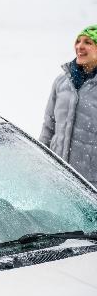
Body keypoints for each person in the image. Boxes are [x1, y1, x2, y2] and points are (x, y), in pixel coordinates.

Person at [40, 25, 97, 187]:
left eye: (88, 42)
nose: (80, 46)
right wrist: (40, 158)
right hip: (58, 174)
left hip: (91, 180)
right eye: (78, 41)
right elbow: (49, 126)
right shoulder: (62, 82)